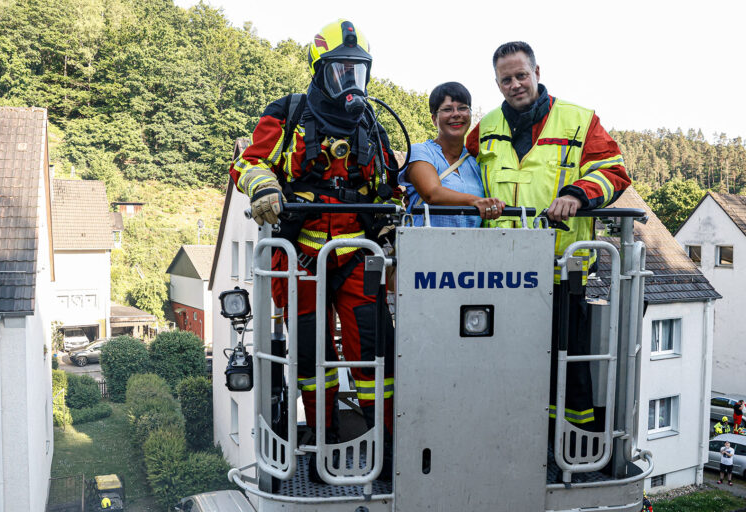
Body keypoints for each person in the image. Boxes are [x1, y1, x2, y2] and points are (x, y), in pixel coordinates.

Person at [230, 19, 397, 483]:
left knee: (374, 356)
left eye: (357, 71)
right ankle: (324, 446)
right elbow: (248, 162)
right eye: (341, 70)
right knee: (310, 358)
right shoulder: (288, 114)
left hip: (356, 255)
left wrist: (388, 227)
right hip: (299, 257)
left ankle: (384, 448)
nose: (350, 81)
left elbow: (389, 186)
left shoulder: (371, 124)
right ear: (320, 70)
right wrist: (264, 186)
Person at [466, 42, 631, 429]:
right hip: (500, 270)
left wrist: (577, 194)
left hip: (561, 267)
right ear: (497, 83)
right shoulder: (486, 127)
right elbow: (457, 170)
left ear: (537, 73)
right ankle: (511, 431)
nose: (515, 85)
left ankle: (570, 439)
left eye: (521, 75)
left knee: (566, 362)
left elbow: (614, 172)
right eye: (506, 79)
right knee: (505, 360)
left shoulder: (579, 119)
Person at [399, 82, 504, 226]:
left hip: (472, 240)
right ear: (434, 119)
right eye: (447, 109)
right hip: (425, 240)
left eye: (462, 108)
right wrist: (476, 201)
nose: (456, 114)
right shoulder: (421, 152)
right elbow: (432, 193)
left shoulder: (476, 160)